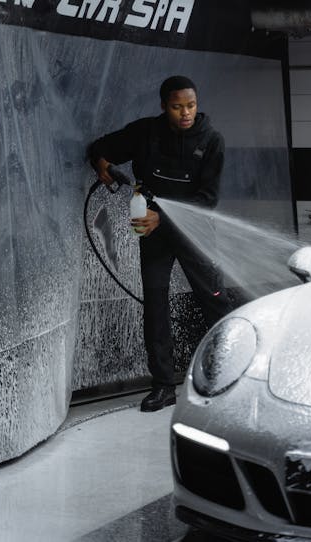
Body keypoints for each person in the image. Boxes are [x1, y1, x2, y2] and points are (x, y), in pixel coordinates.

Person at [87, 75, 230, 412]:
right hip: (153, 235)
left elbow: (207, 199)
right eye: (178, 107)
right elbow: (100, 147)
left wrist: (161, 217)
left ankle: (231, 376)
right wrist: (102, 164)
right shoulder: (145, 133)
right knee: (155, 306)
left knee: (214, 301)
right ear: (164, 106)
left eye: (191, 105)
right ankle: (164, 385)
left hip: (194, 232)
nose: (186, 113)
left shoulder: (211, 140)